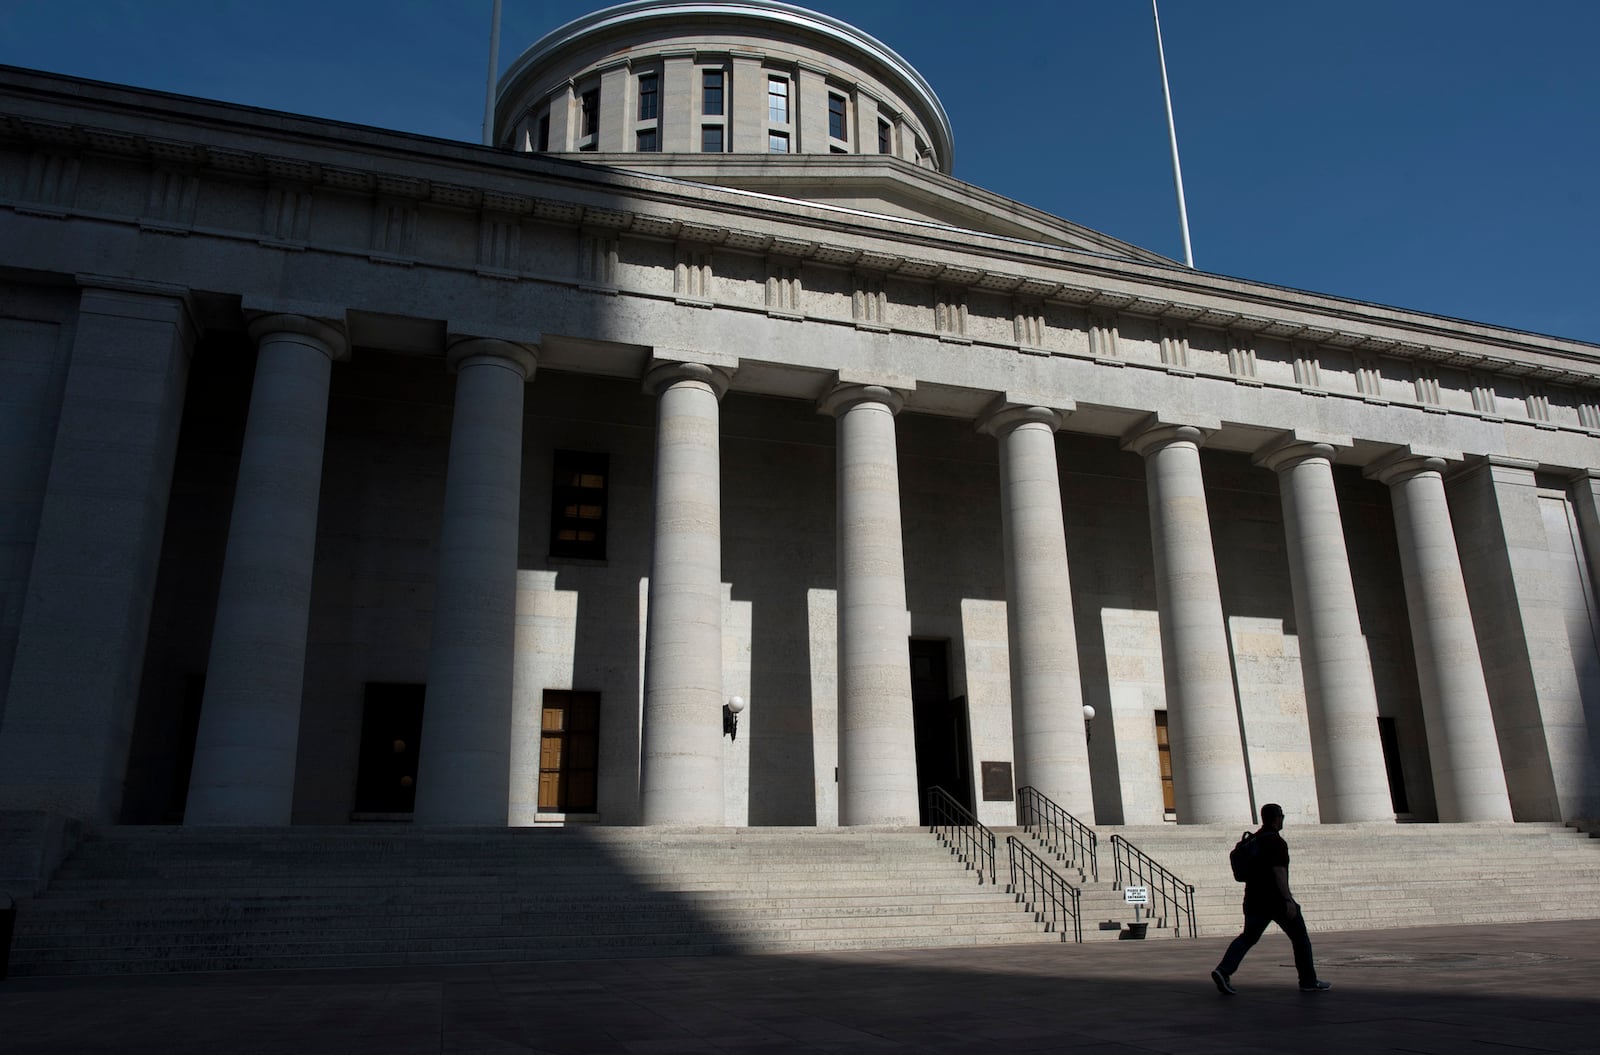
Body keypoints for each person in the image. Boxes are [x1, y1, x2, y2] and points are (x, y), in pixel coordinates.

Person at [1210, 802, 1331, 994]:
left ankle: (1223, 970)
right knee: (1300, 938)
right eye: (1281, 816)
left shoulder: (1254, 839)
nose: (1282, 819)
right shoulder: (1275, 842)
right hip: (1275, 900)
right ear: (1277, 818)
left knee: (1248, 937)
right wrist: (1288, 900)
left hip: (1253, 899)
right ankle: (1308, 980)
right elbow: (1279, 872)